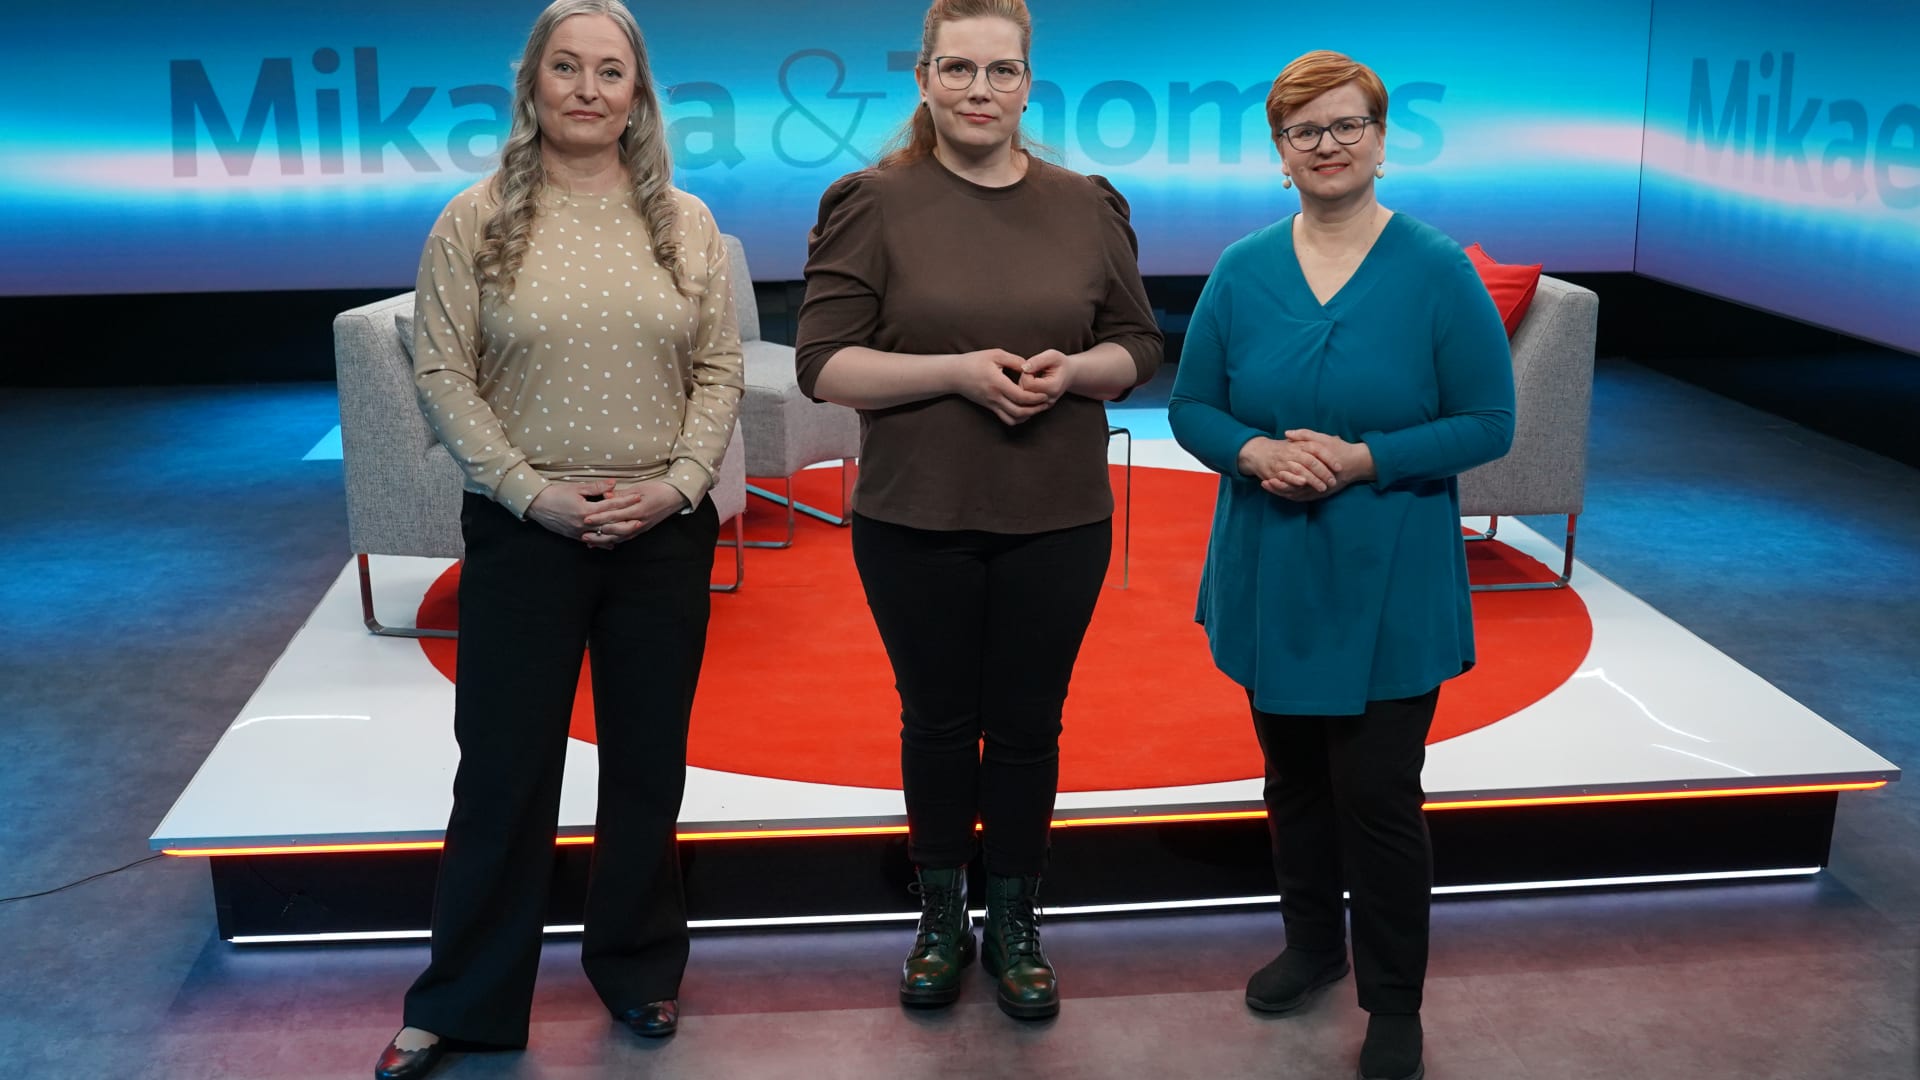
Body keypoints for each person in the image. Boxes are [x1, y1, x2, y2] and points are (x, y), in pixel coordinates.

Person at [373, 2, 743, 1076]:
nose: (587, 89)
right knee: (502, 773)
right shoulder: (474, 220)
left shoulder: (686, 223)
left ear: (638, 94)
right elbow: (442, 371)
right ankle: (465, 999)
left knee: (646, 767)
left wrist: (678, 487)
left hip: (660, 535)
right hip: (523, 533)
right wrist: (528, 493)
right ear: (533, 83)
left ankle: (638, 969)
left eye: (609, 71)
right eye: (566, 67)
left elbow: (718, 367)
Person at [794, 0, 1161, 1021]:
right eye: (957, 69)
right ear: (923, 78)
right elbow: (823, 365)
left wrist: (1075, 369)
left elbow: (1138, 344)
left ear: (1028, 83)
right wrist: (955, 372)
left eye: (1001, 71)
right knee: (939, 722)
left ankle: (1017, 924)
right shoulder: (871, 202)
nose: (979, 90)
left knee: (1031, 725)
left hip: (1059, 513)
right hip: (917, 513)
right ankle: (940, 919)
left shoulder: (1087, 204)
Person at [1167, 50, 1515, 1080]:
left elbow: (1488, 422)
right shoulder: (1242, 269)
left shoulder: (1437, 270)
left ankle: (1394, 999)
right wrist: (1253, 451)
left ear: (1381, 138)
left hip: (1391, 571)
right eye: (1304, 131)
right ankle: (1314, 945)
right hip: (1271, 568)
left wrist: (1366, 460)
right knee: (1294, 783)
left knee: (1379, 793)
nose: (1327, 145)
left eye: (1346, 125)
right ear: (1281, 151)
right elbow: (1192, 406)